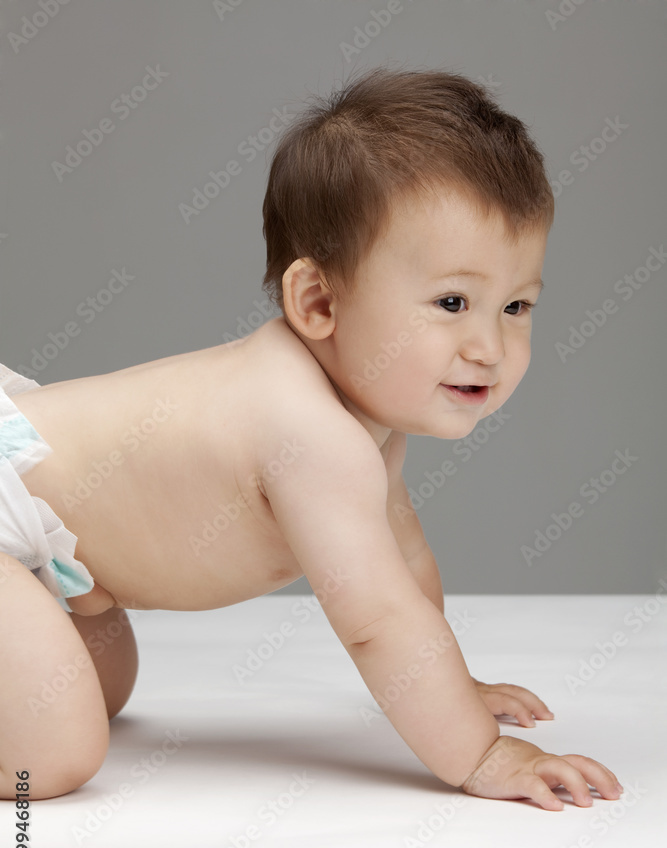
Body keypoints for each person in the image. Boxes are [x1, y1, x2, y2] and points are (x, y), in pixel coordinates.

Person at [0, 65, 622, 808]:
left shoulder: (365, 421)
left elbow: (402, 563)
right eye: (452, 302)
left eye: (515, 306)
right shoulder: (303, 427)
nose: (488, 345)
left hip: (55, 543)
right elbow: (376, 620)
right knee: (57, 754)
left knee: (102, 689)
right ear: (318, 301)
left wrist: (451, 685)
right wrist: (480, 753)